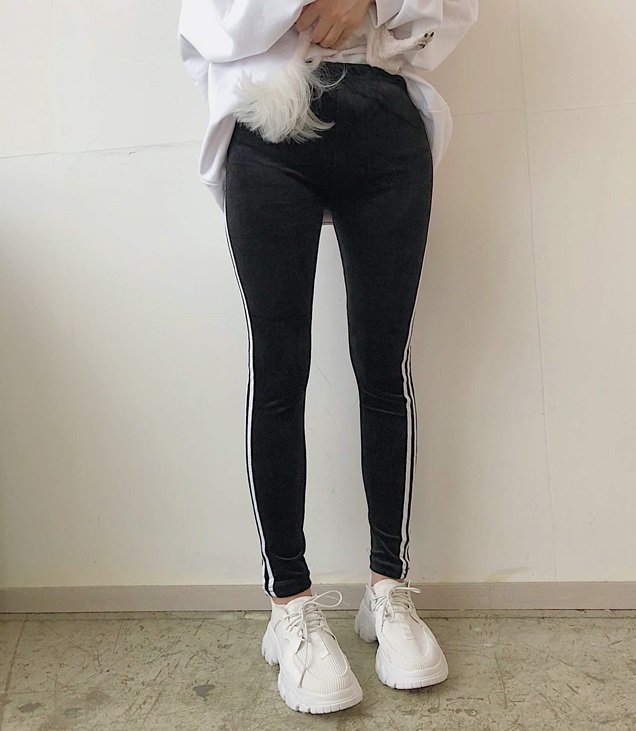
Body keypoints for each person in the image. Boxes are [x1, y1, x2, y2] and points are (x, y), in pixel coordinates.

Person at [178, 0, 478, 715]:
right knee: (279, 371)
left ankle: (389, 587)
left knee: (384, 365)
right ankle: (290, 602)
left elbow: (456, 9)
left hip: (384, 117)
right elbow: (207, 24)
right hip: (268, 117)